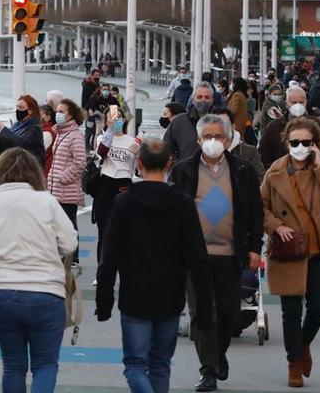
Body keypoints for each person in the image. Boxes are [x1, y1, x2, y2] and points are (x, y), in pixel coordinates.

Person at [96, 138, 214, 393]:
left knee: (135, 364)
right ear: (169, 163)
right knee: (161, 363)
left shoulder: (124, 203)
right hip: (170, 296)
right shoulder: (182, 203)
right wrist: (204, 305)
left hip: (134, 295)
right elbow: (197, 257)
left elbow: (110, 255)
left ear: (138, 163)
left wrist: (104, 298)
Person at [169, 115, 264, 392]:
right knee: (201, 313)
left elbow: (255, 212)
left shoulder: (242, 170)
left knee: (228, 312)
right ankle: (208, 369)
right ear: (199, 140)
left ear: (227, 139)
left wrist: (255, 248)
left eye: (218, 136)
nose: (213, 142)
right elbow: (173, 210)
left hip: (231, 252)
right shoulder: (184, 170)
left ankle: (218, 353)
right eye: (207, 137)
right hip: (195, 254)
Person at [261, 118, 320, 388]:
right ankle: (294, 362)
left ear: (316, 144)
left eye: (307, 142)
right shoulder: (275, 173)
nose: (301, 147)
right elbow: (262, 207)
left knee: (318, 307)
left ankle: (303, 344)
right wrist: (276, 226)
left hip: (319, 249)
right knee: (290, 311)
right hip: (288, 249)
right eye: (295, 142)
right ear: (287, 143)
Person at [0, 148, 78, 393]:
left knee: (13, 365)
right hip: (45, 293)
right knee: (45, 364)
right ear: (35, 175)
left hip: (1, 294)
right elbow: (70, 243)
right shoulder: (46, 201)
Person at [93, 109, 137, 273]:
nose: (116, 120)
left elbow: (137, 169)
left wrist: (139, 153)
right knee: (103, 229)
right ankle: (101, 271)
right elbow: (100, 155)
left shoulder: (132, 140)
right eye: (112, 118)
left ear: (124, 120)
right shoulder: (103, 138)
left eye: (119, 117)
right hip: (105, 182)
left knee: (124, 230)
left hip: (124, 183)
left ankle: (125, 270)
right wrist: (110, 130)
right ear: (106, 121)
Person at [48, 99, 87, 263]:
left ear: (71, 115)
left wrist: (62, 178)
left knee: (69, 226)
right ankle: (63, 258)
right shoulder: (61, 133)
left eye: (62, 111)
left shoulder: (75, 135)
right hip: (56, 189)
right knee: (58, 226)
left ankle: (73, 259)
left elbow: (80, 163)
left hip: (67, 190)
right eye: (57, 111)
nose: (58, 114)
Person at [258, 87, 320, 170]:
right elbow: (263, 154)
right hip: (282, 177)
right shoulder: (274, 127)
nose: (298, 105)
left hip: (310, 176)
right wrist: (276, 172)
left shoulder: (317, 125)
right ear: (286, 103)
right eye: (294, 102)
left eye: (301, 102)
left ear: (306, 103)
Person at [0, 95, 46, 165]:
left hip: (29, 169)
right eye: (17, 107)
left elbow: (20, 145)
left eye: (21, 107)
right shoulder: (16, 125)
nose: (18, 110)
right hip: (14, 168)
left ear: (30, 111)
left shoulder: (34, 128)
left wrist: (2, 128)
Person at [163, 83, 216, 162]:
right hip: (184, 172)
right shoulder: (179, 121)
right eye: (199, 97)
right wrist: (178, 165)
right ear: (193, 99)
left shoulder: (219, 121)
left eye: (207, 97)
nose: (203, 100)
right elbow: (166, 147)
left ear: (212, 100)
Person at [217, 108, 265, 185]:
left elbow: (260, 178)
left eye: (225, 123)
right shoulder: (208, 153)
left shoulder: (249, 152)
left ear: (233, 126)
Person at [40, 104, 58, 178]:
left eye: (40, 113)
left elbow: (37, 152)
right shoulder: (49, 130)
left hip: (44, 173)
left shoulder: (47, 133)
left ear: (48, 117)